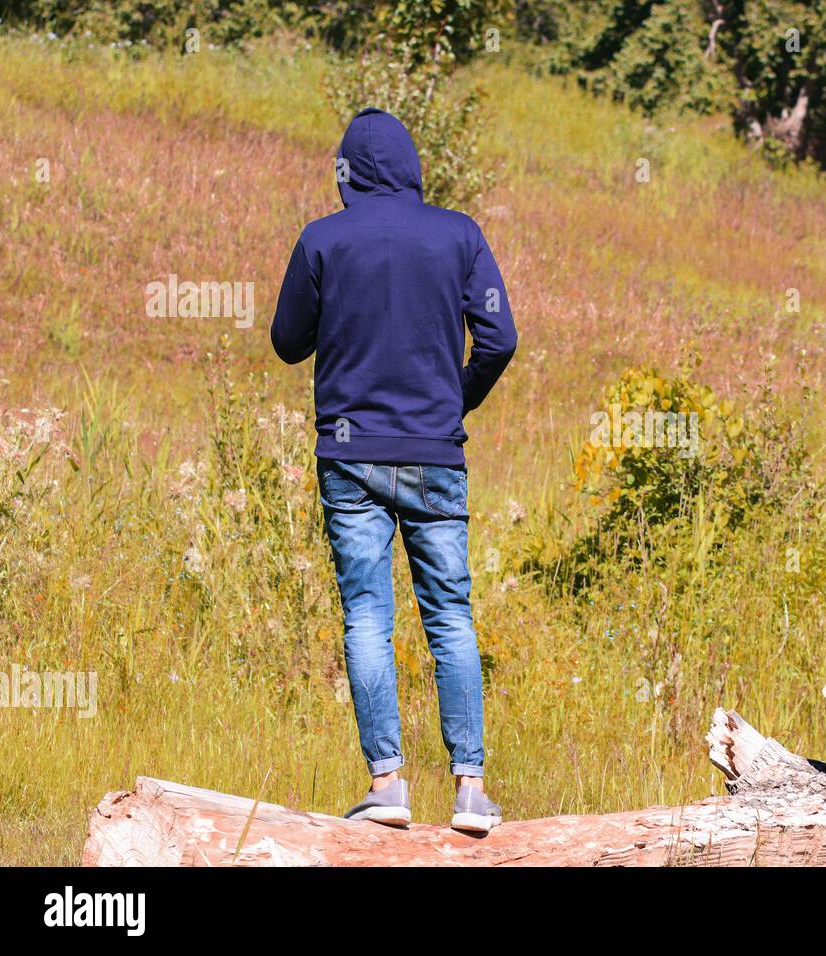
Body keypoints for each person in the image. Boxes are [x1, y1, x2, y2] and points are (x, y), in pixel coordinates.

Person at [270, 107, 517, 833]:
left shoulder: (323, 238)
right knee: (451, 616)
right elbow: (500, 338)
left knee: (369, 618)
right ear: (411, 166)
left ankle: (388, 786)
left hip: (351, 459)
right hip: (437, 450)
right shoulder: (460, 234)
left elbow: (288, 341)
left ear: (347, 173)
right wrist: (451, 401)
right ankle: (471, 790)